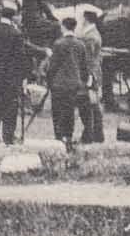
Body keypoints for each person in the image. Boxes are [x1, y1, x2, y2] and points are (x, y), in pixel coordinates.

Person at [0, 3, 42, 145]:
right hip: (11, 77)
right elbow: (20, 56)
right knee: (10, 106)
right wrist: (26, 75)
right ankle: (8, 136)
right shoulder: (16, 34)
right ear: (14, 16)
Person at [44, 17, 91, 150]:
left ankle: (59, 137)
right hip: (74, 84)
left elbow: (53, 66)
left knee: (57, 111)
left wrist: (48, 80)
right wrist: (83, 81)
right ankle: (68, 137)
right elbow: (84, 67)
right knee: (69, 111)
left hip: (59, 84)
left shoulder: (59, 44)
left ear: (63, 27)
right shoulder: (80, 44)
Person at [76, 9, 105, 144]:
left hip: (89, 75)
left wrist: (87, 78)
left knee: (88, 105)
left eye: (82, 20)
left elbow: (87, 60)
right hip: (94, 74)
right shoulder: (93, 34)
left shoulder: (89, 37)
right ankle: (96, 134)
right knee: (92, 105)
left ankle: (90, 134)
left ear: (86, 19)